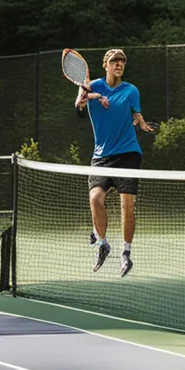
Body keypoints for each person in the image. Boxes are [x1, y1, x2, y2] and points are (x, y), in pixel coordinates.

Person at [75, 48, 155, 276]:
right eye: (114, 61)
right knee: (95, 198)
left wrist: (140, 121)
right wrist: (94, 96)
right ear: (106, 65)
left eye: (122, 61)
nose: (118, 64)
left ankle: (126, 253)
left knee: (126, 206)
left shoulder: (131, 90)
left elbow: (135, 113)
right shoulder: (92, 85)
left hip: (128, 154)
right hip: (101, 156)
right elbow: (79, 107)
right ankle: (103, 244)